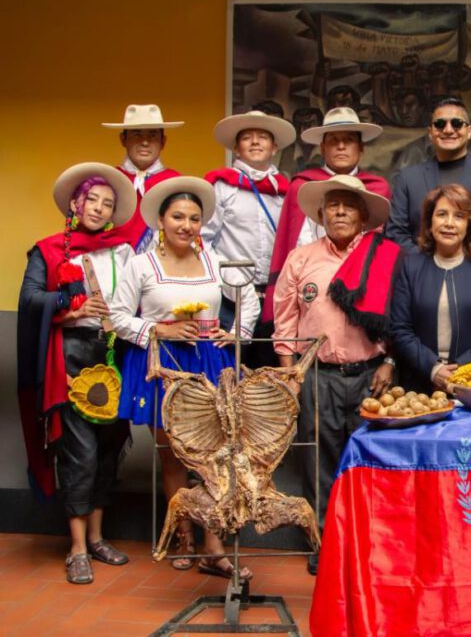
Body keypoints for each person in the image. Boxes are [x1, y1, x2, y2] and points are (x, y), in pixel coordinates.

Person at [110, 176, 260, 581]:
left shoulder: (214, 259)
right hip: (165, 365)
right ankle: (184, 540)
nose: (187, 225)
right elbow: (118, 316)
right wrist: (160, 330)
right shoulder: (141, 265)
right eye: (178, 216)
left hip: (209, 364)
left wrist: (237, 335)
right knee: (172, 456)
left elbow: (249, 296)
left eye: (195, 218)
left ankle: (212, 547)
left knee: (214, 458)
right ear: (161, 219)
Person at [272, 174, 401, 575]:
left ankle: (369, 544)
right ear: (322, 213)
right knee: (319, 464)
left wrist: (389, 361)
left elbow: (402, 317)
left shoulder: (388, 256)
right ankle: (325, 542)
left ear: (364, 214)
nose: (340, 211)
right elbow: (285, 322)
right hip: (317, 376)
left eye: (349, 205)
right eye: (333, 205)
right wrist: (290, 377)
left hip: (372, 376)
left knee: (371, 463)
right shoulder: (302, 258)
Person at [17, 163, 137, 584]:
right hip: (68, 356)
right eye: (93, 200)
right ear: (75, 203)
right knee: (79, 453)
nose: (100, 209)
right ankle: (77, 548)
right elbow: (31, 300)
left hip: (114, 354)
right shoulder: (48, 250)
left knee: (108, 447)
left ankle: (99, 538)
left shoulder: (123, 251)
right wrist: (72, 309)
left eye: (108, 204)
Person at [265, 107, 390, 322]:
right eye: (333, 140)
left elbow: (382, 248)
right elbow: (295, 246)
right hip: (312, 288)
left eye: (349, 140)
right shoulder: (302, 186)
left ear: (361, 148)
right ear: (322, 148)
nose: (341, 146)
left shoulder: (378, 189)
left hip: (363, 289)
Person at [203, 110, 296, 368]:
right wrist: (232, 282)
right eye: (247, 137)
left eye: (263, 137)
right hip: (231, 301)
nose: (255, 142)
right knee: (227, 376)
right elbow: (204, 242)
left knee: (268, 378)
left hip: (273, 300)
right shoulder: (221, 186)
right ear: (236, 147)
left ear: (274, 146)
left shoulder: (285, 192)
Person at [390, 184, 471, 393]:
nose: (449, 223)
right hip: (420, 385)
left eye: (459, 216)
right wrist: (433, 369)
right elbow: (400, 329)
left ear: (468, 224)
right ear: (429, 222)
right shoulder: (411, 265)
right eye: (442, 214)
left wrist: (460, 372)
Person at [386, 97, 471, 253]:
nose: (448, 130)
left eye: (457, 123)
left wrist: (463, 257)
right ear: (430, 133)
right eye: (440, 124)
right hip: (420, 272)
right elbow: (395, 235)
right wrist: (431, 260)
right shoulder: (407, 178)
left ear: (469, 132)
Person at [102, 104, 184, 251]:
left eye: (152, 135)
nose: (145, 142)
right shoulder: (109, 180)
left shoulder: (175, 182)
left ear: (163, 141)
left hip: (163, 264)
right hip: (112, 262)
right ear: (123, 139)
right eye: (136, 134)